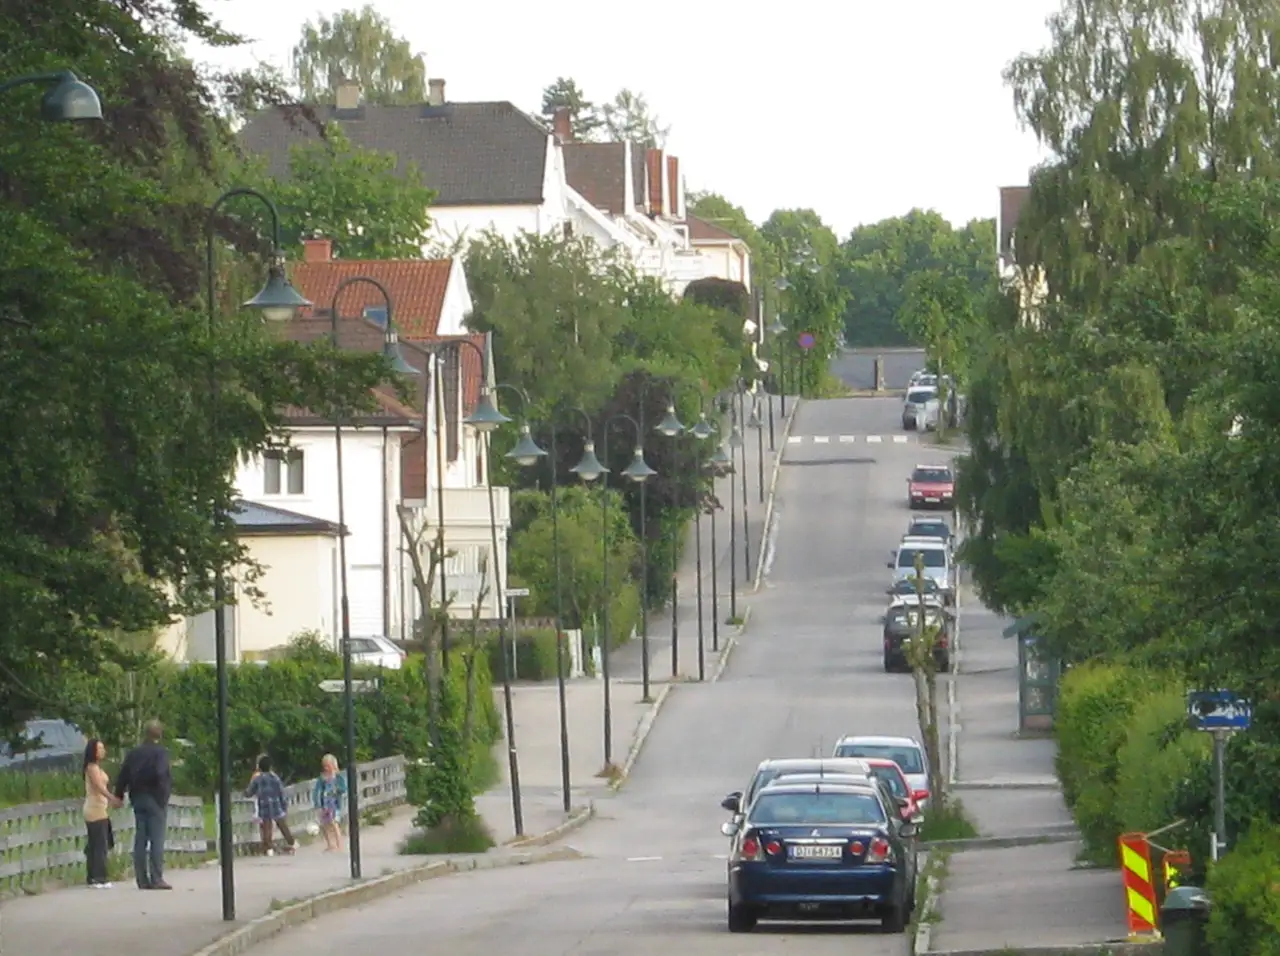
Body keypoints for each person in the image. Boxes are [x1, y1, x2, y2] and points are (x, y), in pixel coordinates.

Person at [114, 720, 173, 890]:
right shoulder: (160, 753)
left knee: (141, 837)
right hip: (155, 797)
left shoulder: (134, 753)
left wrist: (119, 794)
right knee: (156, 838)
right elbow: (161, 773)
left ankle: (141, 878)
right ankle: (156, 877)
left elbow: (123, 774)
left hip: (137, 797)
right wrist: (164, 796)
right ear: (159, 734)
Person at [83, 738, 124, 888]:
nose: (103, 751)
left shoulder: (98, 767)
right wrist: (112, 798)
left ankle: (93, 875)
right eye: (99, 748)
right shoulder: (91, 768)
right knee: (100, 843)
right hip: (94, 808)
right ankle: (99, 876)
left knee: (98, 842)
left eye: (103, 748)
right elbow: (99, 786)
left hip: (101, 808)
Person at [246, 754, 295, 856]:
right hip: (276, 804)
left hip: (264, 805)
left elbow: (250, 791)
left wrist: (245, 793)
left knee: (267, 827)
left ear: (259, 767)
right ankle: (291, 842)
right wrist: (284, 805)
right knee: (282, 825)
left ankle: (268, 848)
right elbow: (281, 792)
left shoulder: (257, 779)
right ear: (270, 766)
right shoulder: (275, 778)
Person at [312, 753, 347, 852]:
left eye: (328, 766)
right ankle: (330, 844)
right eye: (324, 766)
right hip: (324, 804)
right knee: (324, 825)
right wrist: (317, 803)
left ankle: (339, 844)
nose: (326, 768)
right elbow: (317, 791)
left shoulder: (337, 777)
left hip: (334, 804)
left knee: (334, 823)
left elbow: (344, 788)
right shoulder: (322, 778)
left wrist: (338, 790)